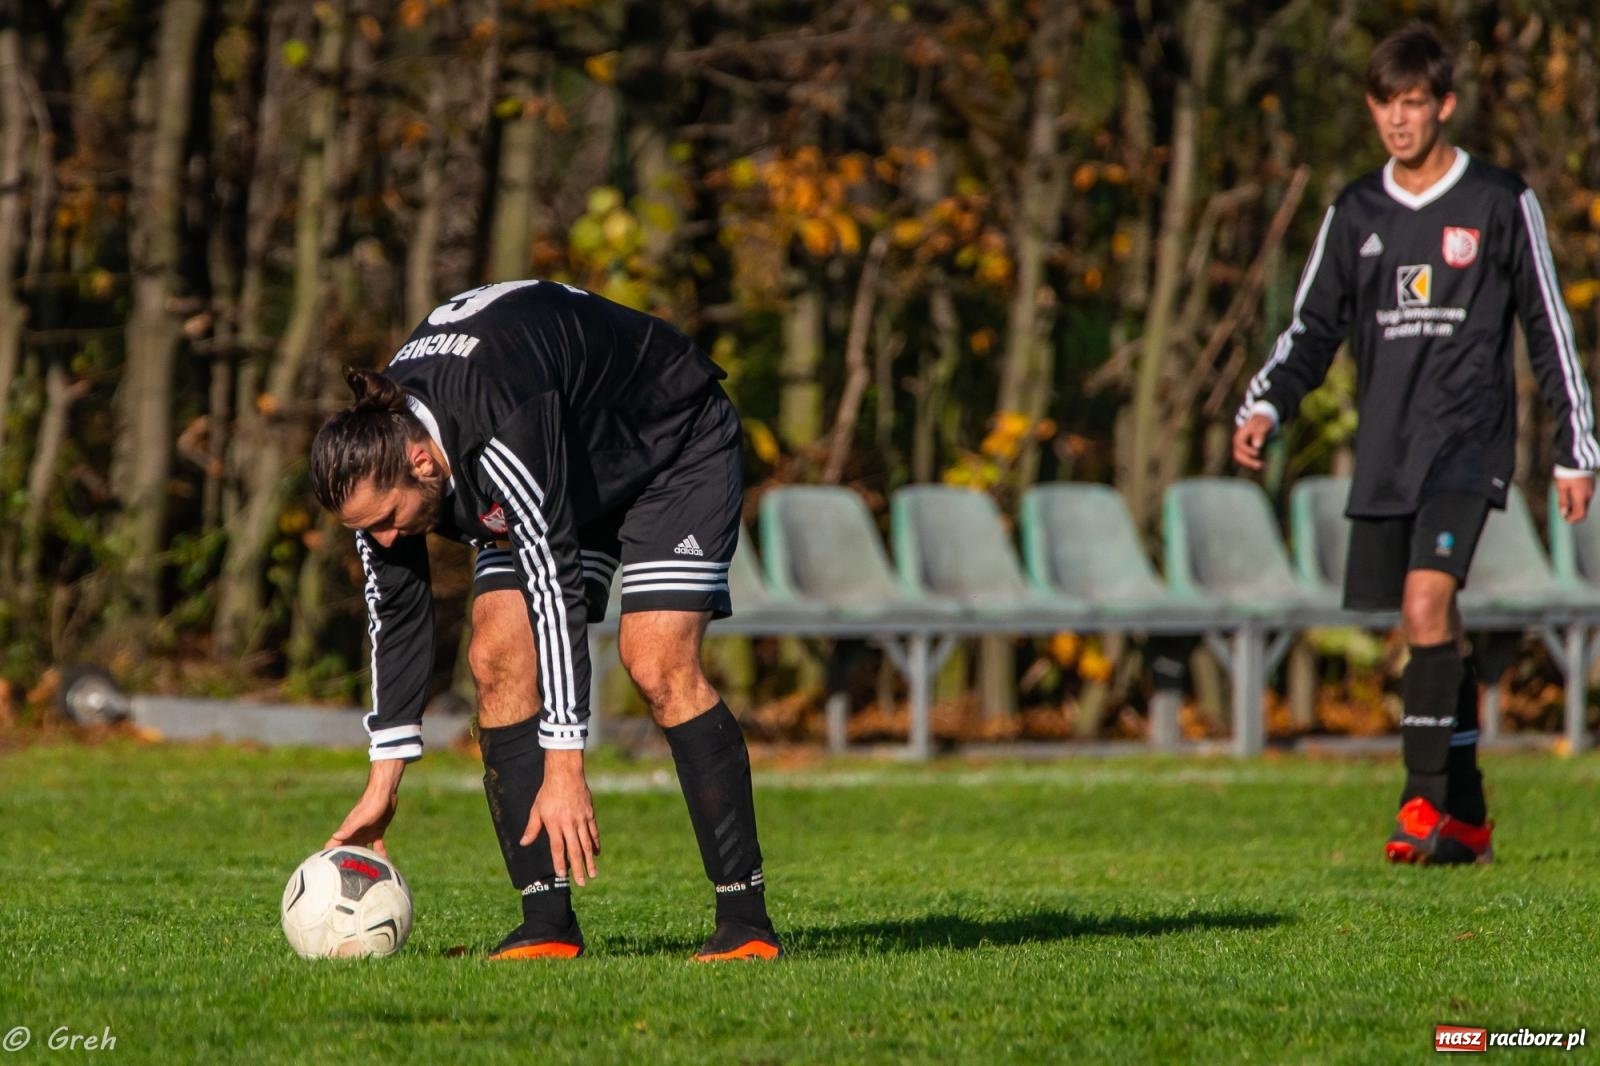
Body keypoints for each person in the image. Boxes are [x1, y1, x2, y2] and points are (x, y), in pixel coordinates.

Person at [308, 279, 781, 960]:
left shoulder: (498, 428)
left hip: (671, 446)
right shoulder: (381, 467)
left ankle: (745, 921)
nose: (383, 539)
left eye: (387, 520)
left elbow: (554, 591)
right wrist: (383, 784)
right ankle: (547, 926)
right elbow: (397, 615)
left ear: (421, 461)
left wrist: (566, 765)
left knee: (656, 663)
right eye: (365, 529)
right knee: (496, 657)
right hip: (569, 461)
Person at [1232, 25, 1597, 865]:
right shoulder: (1355, 211)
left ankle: (1421, 804)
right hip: (1389, 452)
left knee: (1424, 607)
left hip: (1468, 445)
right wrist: (1267, 406)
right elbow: (1311, 329)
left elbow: (1549, 325)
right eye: (1384, 104)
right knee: (1437, 629)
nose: (1398, 120)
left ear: (1444, 106)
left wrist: (1576, 448)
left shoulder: (1498, 201)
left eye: (1413, 103)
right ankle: (1466, 818)